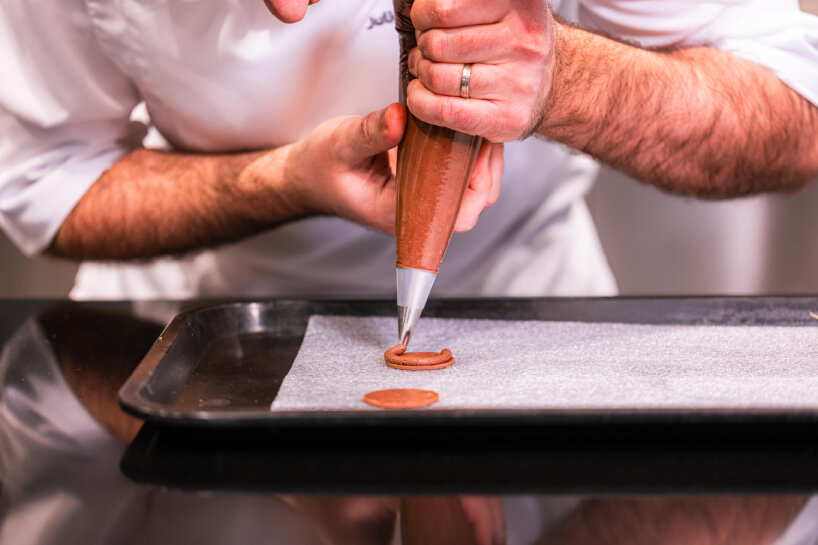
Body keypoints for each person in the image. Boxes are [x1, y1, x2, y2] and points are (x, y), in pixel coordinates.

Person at [2, 0, 818, 543]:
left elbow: (793, 110)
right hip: (188, 358)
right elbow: (42, 179)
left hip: (528, 317)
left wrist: (564, 79)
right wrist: (280, 180)